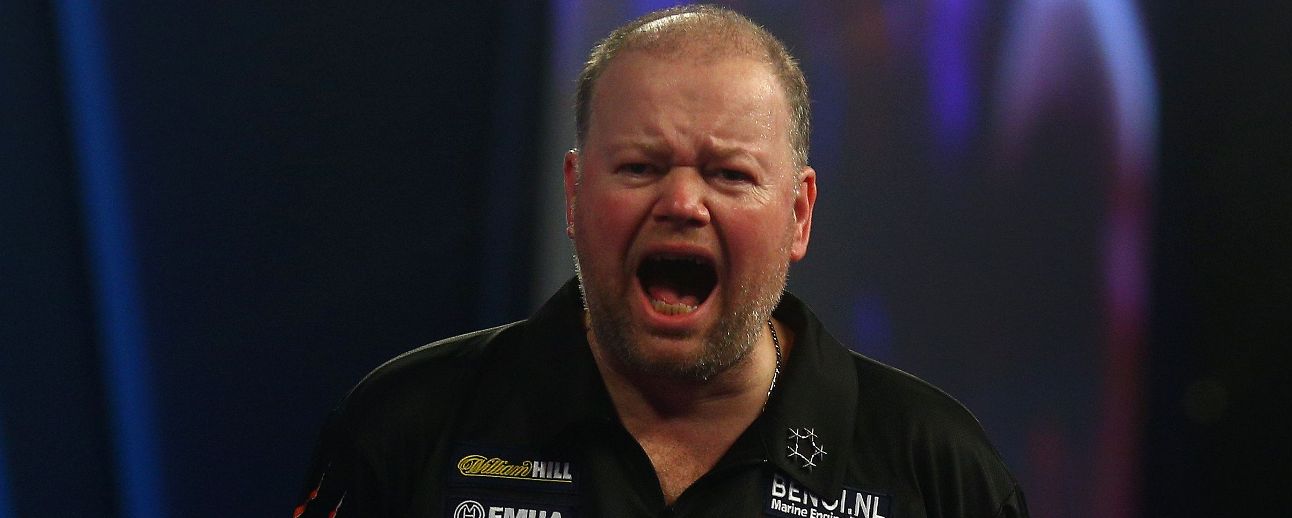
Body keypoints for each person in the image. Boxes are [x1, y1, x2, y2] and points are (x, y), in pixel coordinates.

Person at [294, 5, 1028, 517]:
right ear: (574, 194)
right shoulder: (409, 431)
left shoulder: (936, 471)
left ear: (799, 215)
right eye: (640, 167)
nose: (681, 202)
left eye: (729, 174)